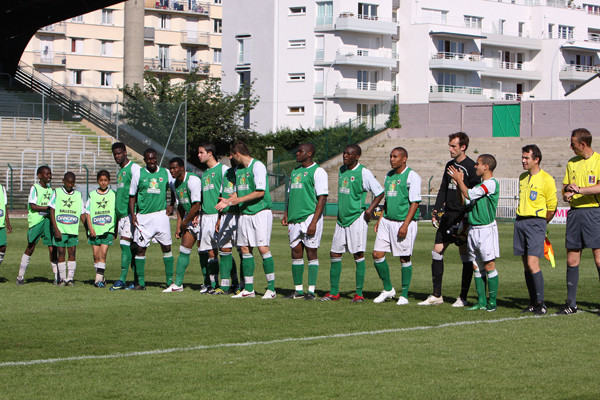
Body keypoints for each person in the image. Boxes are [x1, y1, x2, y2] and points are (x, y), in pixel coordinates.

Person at [419, 132, 480, 307]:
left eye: (454, 146)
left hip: (464, 216)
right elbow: (444, 189)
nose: (450, 149)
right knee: (436, 251)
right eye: (450, 145)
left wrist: (468, 217)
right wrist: (436, 209)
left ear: (463, 147)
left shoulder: (471, 167)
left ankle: (463, 297)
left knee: (465, 256)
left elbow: (475, 194)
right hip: (448, 215)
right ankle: (436, 295)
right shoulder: (449, 165)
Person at [320, 144, 384, 303]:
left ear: (357, 156)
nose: (345, 156)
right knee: (334, 253)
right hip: (341, 219)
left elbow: (380, 192)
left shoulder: (364, 172)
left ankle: (359, 294)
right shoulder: (342, 170)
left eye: (349, 154)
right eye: (344, 153)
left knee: (358, 254)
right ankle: (334, 292)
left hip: (357, 218)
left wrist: (369, 210)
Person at [215, 141, 276, 299]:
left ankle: (271, 289)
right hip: (245, 214)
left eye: (232, 155)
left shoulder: (258, 166)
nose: (231, 158)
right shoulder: (238, 171)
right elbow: (238, 193)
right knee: (244, 249)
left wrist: (238, 200)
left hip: (260, 212)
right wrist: (228, 201)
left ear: (237, 154)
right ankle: (248, 289)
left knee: (263, 248)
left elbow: (260, 192)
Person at [448, 154, 500, 312]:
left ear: (486, 167)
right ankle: (481, 301)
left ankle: (492, 302)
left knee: (489, 265)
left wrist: (460, 180)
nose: (475, 167)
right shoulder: (480, 186)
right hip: (473, 229)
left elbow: (469, 194)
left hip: (486, 229)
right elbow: (463, 200)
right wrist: (458, 184)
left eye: (478, 164)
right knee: (476, 266)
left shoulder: (491, 184)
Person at [372, 147, 421, 305]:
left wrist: (405, 225)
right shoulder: (388, 175)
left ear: (404, 158)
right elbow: (387, 200)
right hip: (387, 221)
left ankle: (404, 295)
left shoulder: (412, 176)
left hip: (403, 222)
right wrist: (380, 219)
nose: (392, 159)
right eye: (390, 156)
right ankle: (388, 289)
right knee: (377, 254)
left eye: (395, 156)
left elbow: (414, 203)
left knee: (404, 258)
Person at [559, 128, 600, 314]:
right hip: (575, 213)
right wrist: (568, 192)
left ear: (582, 144)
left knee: (599, 259)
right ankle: (571, 304)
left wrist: (579, 190)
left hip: (594, 213)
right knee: (572, 259)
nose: (571, 147)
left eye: (573, 144)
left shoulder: (598, 161)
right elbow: (565, 188)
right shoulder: (571, 162)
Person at [282, 143, 328, 300]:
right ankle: (298, 291)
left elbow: (322, 197)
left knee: (311, 251)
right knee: (295, 251)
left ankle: (311, 291)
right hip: (294, 218)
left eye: (300, 151)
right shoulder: (295, 171)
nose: (297, 154)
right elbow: (290, 195)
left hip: (309, 217)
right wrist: (286, 214)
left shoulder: (318, 171)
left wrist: (314, 222)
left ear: (309, 153)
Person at [514, 145, 557, 315]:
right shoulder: (523, 177)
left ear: (536, 159)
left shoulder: (547, 179)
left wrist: (540, 224)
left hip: (536, 223)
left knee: (533, 264)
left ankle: (541, 303)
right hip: (520, 222)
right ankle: (532, 302)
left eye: (527, 158)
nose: (523, 160)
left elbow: (552, 207)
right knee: (526, 264)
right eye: (523, 157)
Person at [129, 148, 175, 290]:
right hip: (144, 217)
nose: (152, 161)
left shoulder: (165, 172)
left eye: (154, 158)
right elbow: (132, 196)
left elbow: (173, 190)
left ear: (157, 158)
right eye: (149, 159)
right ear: (145, 160)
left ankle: (169, 281)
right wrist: (133, 214)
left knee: (166, 247)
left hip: (161, 215)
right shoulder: (139, 173)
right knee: (141, 249)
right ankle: (141, 283)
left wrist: (171, 204)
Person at [163, 157, 201, 292]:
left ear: (182, 168)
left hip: (202, 218)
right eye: (170, 168)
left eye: (174, 168)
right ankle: (178, 284)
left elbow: (196, 205)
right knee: (184, 250)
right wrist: (179, 226)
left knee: (205, 252)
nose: (172, 170)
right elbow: (180, 207)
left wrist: (184, 222)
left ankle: (210, 284)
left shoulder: (193, 180)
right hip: (189, 219)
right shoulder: (175, 184)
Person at [197, 143, 230, 294]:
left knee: (224, 250)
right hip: (205, 216)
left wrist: (220, 217)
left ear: (210, 153)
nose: (199, 155)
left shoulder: (223, 170)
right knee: (210, 252)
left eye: (201, 152)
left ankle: (231, 283)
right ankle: (213, 284)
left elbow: (227, 193)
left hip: (218, 216)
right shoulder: (205, 173)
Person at [17, 166, 57, 285]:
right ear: (39, 175)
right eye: (46, 174)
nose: (49, 176)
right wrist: (48, 208)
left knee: (52, 248)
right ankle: (20, 276)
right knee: (30, 247)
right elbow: (33, 206)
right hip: (36, 221)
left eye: (50, 174)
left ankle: (57, 277)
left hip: (48, 221)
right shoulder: (35, 188)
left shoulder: (51, 190)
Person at [110, 142, 142, 290]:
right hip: (121, 216)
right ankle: (137, 281)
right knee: (132, 249)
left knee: (125, 246)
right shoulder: (120, 172)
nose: (117, 156)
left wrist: (135, 212)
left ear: (125, 152)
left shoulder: (134, 168)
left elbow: (140, 188)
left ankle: (122, 280)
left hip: (131, 215)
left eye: (119, 153)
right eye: (114, 154)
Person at [49, 172, 86, 286]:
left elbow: (82, 213)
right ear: (63, 181)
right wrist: (55, 228)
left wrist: (87, 228)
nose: (70, 185)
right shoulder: (57, 192)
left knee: (72, 253)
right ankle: (61, 278)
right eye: (68, 182)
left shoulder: (78, 195)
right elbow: (52, 210)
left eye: (72, 183)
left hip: (73, 229)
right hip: (61, 229)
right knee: (61, 252)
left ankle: (70, 278)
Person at [214, 153, 242, 295]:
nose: (230, 158)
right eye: (229, 156)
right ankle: (225, 285)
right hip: (225, 215)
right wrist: (219, 219)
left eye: (232, 155)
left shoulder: (245, 172)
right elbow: (222, 195)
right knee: (224, 249)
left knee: (243, 251)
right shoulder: (227, 173)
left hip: (239, 215)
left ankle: (242, 286)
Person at [85, 170, 117, 288]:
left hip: (108, 229)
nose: (103, 183)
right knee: (96, 256)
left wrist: (115, 230)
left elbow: (116, 213)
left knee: (103, 254)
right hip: (95, 229)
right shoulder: (92, 194)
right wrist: (90, 228)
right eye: (101, 180)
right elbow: (88, 213)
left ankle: (97, 280)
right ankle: (101, 277)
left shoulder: (113, 194)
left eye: (105, 180)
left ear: (108, 181)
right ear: (98, 181)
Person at [0, 181, 11, 271]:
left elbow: (5, 206)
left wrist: (8, 222)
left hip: (0, 224)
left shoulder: (2, 189)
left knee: (3, 247)